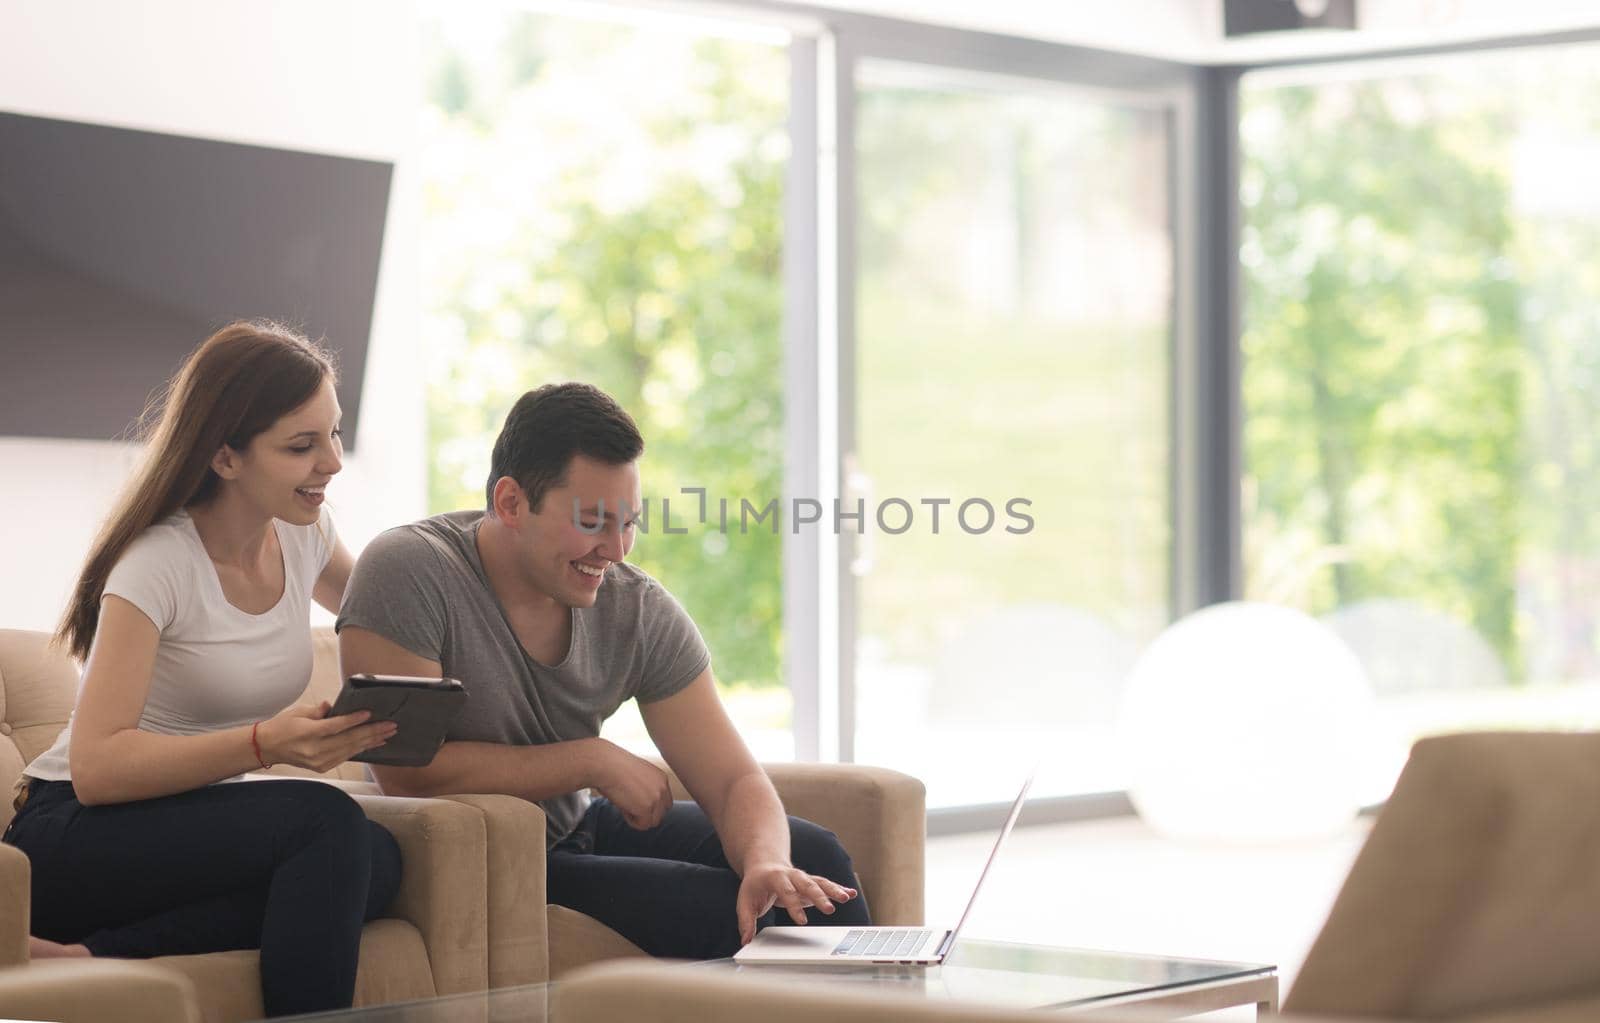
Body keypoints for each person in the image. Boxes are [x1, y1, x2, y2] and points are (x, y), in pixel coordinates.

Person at [337, 382, 870, 959]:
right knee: (725, 911)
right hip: (472, 858)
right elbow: (408, 775)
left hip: (575, 828)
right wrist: (591, 759)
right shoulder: (408, 571)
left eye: (628, 523)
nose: (615, 549)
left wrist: (766, 860)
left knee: (815, 865)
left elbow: (734, 780)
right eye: (593, 523)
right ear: (512, 502)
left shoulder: (634, 607)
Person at [2, 321, 402, 1017]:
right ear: (225, 456)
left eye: (334, 433)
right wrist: (263, 744)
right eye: (302, 445)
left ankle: (93, 956)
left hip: (179, 828)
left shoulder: (307, 534)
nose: (332, 462)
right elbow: (97, 769)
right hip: (68, 831)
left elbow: (393, 615)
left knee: (381, 860)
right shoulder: (158, 563)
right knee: (328, 825)